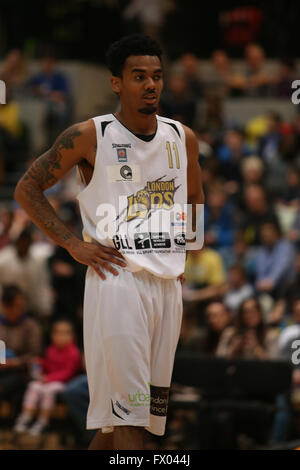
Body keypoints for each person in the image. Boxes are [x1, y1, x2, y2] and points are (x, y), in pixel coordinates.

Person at [14, 34, 204, 450]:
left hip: (166, 288)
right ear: (116, 82)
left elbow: (194, 197)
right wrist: (71, 244)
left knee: (115, 427)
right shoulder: (90, 135)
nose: (151, 84)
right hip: (118, 282)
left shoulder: (182, 137)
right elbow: (27, 188)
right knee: (130, 425)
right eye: (139, 76)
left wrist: (187, 256)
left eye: (156, 76)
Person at [13, 319, 82, 436]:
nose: (61, 336)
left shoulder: (73, 352)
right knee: (33, 386)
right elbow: (48, 365)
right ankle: (26, 416)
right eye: (58, 333)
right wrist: (40, 363)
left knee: (48, 390)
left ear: (72, 336)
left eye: (65, 333)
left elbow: (68, 372)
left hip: (64, 383)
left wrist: (48, 378)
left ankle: (43, 420)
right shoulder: (51, 350)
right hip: (47, 380)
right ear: (52, 335)